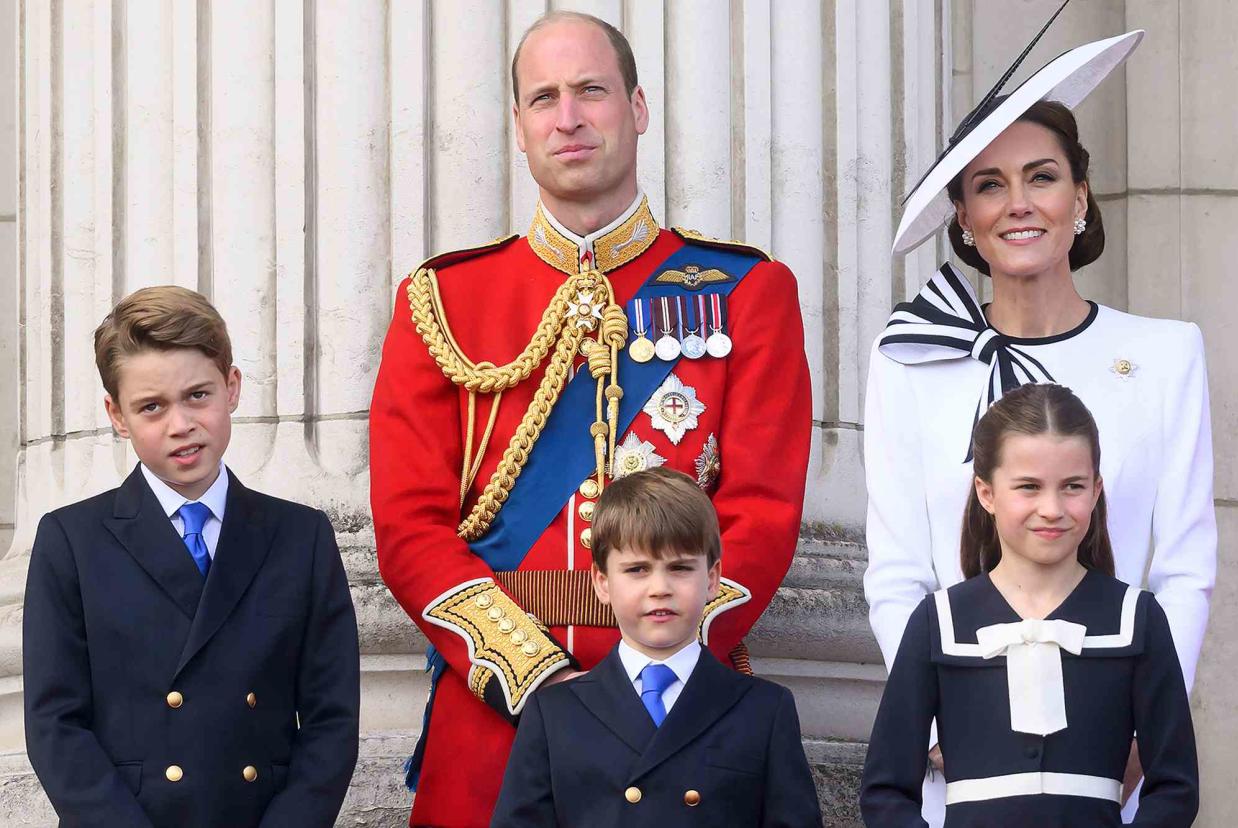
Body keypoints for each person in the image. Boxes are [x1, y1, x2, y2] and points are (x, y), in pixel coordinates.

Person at [369, 10, 812, 826]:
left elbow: (762, 512)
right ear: (519, 127)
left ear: (637, 109)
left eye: (590, 91)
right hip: (497, 710)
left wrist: (659, 663)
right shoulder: (442, 300)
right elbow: (407, 526)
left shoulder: (747, 292)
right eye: (544, 98)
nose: (567, 117)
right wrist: (533, 676)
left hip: (678, 710)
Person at [863, 20, 1214, 826]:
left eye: (1041, 177)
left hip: (1108, 761)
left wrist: (1140, 728)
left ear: (1080, 196)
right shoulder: (909, 359)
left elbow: (1185, 568)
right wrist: (943, 709)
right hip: (963, 766)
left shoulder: (1164, 355)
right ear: (962, 215)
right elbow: (895, 571)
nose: (1017, 204)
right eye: (988, 184)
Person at [23, 287, 361, 828]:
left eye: (197, 395)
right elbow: (54, 725)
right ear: (116, 415)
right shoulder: (71, 540)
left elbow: (331, 721)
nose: (180, 424)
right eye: (151, 407)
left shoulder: (301, 536)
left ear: (232, 388)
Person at [860, 383, 1198, 827]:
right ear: (986, 492)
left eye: (1072, 486)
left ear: (1096, 491)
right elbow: (886, 791)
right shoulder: (938, 621)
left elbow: (1175, 786)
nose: (1052, 508)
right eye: (1028, 487)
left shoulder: (1137, 618)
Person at [490, 467, 822, 827]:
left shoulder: (763, 710)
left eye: (680, 568)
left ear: (712, 580)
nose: (660, 588)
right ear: (602, 583)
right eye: (637, 570)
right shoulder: (553, 712)